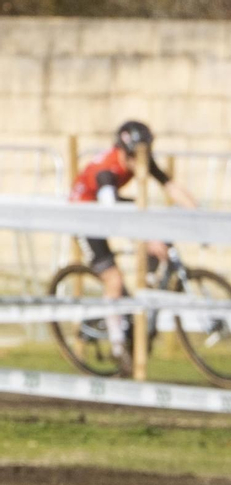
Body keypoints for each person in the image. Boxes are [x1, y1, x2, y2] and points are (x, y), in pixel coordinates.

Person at [67, 121, 199, 361]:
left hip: (108, 207)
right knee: (114, 281)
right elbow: (113, 217)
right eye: (133, 156)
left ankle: (144, 290)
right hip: (85, 215)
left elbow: (170, 186)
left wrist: (201, 216)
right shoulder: (106, 171)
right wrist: (145, 240)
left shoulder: (139, 158)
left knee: (152, 220)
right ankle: (118, 348)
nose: (140, 162)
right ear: (123, 151)